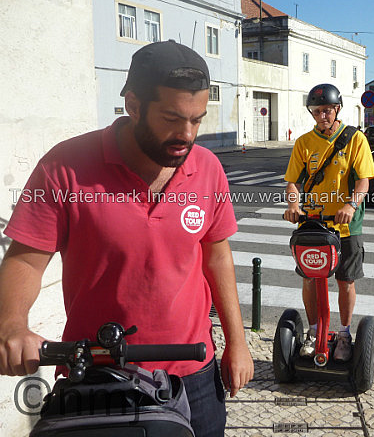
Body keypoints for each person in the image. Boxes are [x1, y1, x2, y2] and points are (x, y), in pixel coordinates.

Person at [0, 40, 253, 437]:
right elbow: (26, 258)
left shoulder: (208, 168)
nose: (187, 135)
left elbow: (217, 256)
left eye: (197, 120)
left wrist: (237, 342)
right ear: (133, 105)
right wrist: (11, 324)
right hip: (98, 373)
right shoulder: (64, 167)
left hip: (194, 374)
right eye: (172, 118)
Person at [283, 83, 374, 362]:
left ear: (337, 110)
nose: (322, 116)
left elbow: (363, 181)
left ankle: (345, 334)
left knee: (346, 281)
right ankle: (314, 332)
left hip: (346, 226)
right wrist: (293, 205)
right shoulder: (304, 143)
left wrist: (351, 205)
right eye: (316, 111)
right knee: (310, 280)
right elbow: (293, 182)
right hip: (313, 224)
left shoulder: (355, 139)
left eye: (326, 110)